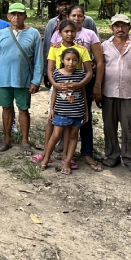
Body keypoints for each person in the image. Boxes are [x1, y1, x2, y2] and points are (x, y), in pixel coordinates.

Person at [0, 3, 44, 152]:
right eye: (13, 14)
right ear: (8, 16)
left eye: (20, 14)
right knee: (6, 109)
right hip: (4, 78)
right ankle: (7, 139)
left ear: (25, 16)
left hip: (24, 79)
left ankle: (25, 141)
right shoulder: (1, 34)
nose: (16, 17)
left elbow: (39, 59)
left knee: (23, 109)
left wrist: (36, 81)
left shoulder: (34, 34)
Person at [39, 21, 94, 167]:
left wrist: (80, 84)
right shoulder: (55, 47)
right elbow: (50, 70)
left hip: (76, 88)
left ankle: (65, 155)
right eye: (66, 31)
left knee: (72, 128)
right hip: (58, 86)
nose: (69, 34)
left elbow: (88, 71)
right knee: (53, 121)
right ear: (60, 33)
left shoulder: (81, 49)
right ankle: (46, 153)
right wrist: (55, 84)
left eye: (72, 31)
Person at [56, 5, 105, 169]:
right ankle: (65, 152)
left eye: (80, 16)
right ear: (68, 17)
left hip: (83, 84)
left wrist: (97, 84)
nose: (77, 19)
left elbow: (98, 61)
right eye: (73, 16)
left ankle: (87, 152)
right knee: (63, 114)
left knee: (84, 117)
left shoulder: (89, 35)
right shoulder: (60, 35)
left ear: (84, 18)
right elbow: (54, 55)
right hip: (62, 83)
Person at [101, 14, 131, 172]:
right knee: (109, 125)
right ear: (111, 28)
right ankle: (112, 156)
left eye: (124, 26)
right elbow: (99, 68)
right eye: (116, 26)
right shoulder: (104, 46)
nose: (120, 29)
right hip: (109, 92)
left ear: (130, 27)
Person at [47, 48, 91, 174]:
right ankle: (46, 158)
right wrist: (52, 108)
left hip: (77, 111)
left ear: (78, 61)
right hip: (61, 111)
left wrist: (86, 112)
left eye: (74, 60)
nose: (71, 62)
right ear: (62, 60)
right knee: (55, 135)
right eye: (68, 59)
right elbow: (54, 91)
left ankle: (67, 162)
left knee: (73, 136)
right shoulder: (57, 74)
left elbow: (83, 93)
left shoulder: (81, 74)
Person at [41, 0, 98, 75]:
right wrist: (47, 73)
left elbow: (96, 46)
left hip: (84, 70)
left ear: (73, 4)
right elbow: (47, 49)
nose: (65, 7)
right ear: (57, 7)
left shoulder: (87, 21)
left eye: (68, 4)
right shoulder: (52, 23)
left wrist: (94, 61)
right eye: (61, 5)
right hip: (60, 73)